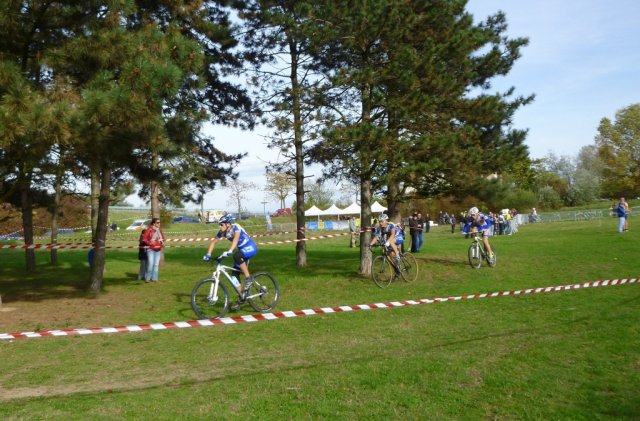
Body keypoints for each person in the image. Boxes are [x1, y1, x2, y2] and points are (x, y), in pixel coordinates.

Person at [203, 214, 257, 310]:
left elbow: (235, 240)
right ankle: (242, 298)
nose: (220, 226)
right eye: (219, 225)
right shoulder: (222, 232)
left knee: (236, 255)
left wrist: (230, 251)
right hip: (241, 251)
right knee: (234, 277)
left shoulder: (236, 227)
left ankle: (248, 278)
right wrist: (208, 254)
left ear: (228, 224)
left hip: (250, 247)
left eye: (221, 224)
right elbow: (213, 242)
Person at [143, 218, 165, 283]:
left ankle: (154, 278)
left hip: (158, 249)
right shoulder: (149, 230)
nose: (159, 224)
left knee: (156, 264)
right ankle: (147, 278)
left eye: (159, 222)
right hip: (150, 249)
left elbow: (163, 238)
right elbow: (144, 239)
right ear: (154, 223)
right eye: (158, 222)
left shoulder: (159, 230)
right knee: (150, 264)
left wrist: (161, 241)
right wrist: (150, 244)